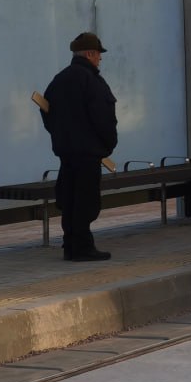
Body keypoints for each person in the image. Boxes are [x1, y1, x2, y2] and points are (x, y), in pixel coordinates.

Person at [41, 32, 118, 261]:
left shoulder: (59, 79)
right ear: (90, 53)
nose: (100, 60)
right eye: (98, 56)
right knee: (86, 201)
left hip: (67, 153)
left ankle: (70, 246)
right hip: (88, 154)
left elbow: (47, 112)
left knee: (70, 199)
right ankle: (83, 247)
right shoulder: (91, 81)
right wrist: (107, 144)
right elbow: (102, 117)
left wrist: (61, 137)